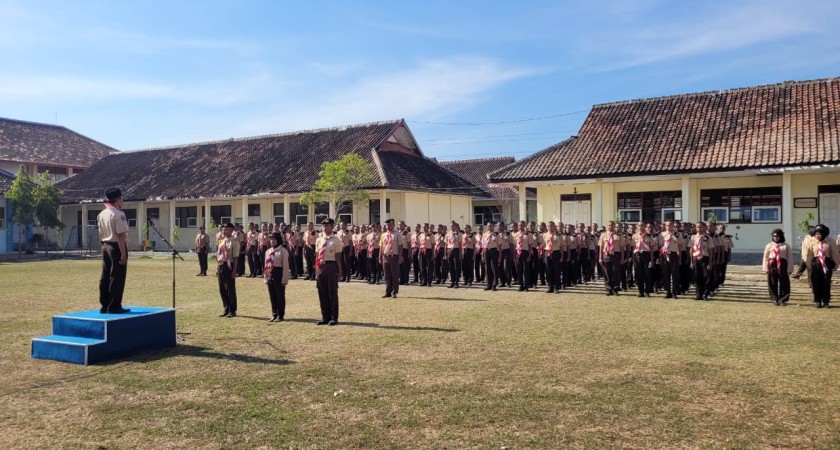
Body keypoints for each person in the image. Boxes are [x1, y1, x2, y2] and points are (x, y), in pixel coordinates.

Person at [97, 188, 130, 313]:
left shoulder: (102, 214)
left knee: (105, 275)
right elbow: (121, 235)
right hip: (116, 246)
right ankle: (115, 306)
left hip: (105, 245)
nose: (123, 201)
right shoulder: (118, 214)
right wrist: (123, 254)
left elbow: (100, 233)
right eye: (122, 198)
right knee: (117, 276)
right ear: (118, 200)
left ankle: (104, 305)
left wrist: (103, 246)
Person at [315, 218, 343, 325]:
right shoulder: (319, 240)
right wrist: (316, 270)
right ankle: (325, 317)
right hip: (321, 266)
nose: (325, 227)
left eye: (327, 225)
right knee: (322, 292)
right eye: (323, 225)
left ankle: (334, 317)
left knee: (332, 293)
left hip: (331, 266)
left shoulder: (336, 240)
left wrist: (339, 273)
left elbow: (338, 258)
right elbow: (317, 256)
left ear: (332, 227)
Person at [805, 224, 839, 308]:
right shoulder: (811, 241)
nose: (818, 236)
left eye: (819, 234)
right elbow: (808, 255)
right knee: (815, 282)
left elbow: (834, 254)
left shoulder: (830, 241)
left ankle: (826, 301)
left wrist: (836, 264)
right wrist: (808, 265)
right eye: (816, 234)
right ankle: (818, 301)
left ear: (824, 233)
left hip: (826, 263)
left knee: (826, 282)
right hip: (815, 263)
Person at [264, 232, 290, 321]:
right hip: (270, 273)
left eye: (274, 239)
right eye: (271, 239)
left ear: (278, 240)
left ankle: (280, 315)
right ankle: (274, 313)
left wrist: (284, 279)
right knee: (272, 295)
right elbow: (266, 265)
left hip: (279, 273)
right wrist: (266, 277)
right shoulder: (268, 251)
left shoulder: (283, 251)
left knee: (280, 295)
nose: (272, 241)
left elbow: (285, 266)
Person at [216, 222, 240, 317]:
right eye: (223, 229)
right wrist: (217, 267)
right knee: (222, 288)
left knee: (230, 289)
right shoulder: (222, 241)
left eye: (226, 229)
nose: (223, 230)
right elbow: (219, 255)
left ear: (231, 230)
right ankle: (226, 308)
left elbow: (235, 257)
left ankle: (232, 310)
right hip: (221, 265)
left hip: (229, 266)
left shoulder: (234, 242)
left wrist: (234, 270)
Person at [763, 229, 792, 306]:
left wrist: (790, 269)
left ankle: (783, 299)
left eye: (777, 236)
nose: (776, 238)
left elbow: (790, 258)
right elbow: (765, 257)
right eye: (774, 236)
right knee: (772, 281)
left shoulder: (786, 246)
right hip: (772, 264)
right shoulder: (769, 245)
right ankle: (774, 299)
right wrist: (765, 268)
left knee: (784, 282)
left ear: (781, 236)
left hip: (783, 264)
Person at [689, 222, 715, 301]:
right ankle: (698, 294)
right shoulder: (693, 237)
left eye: (700, 227)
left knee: (706, 276)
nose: (698, 229)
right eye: (697, 227)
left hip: (705, 258)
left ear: (704, 228)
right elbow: (691, 249)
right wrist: (691, 261)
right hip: (696, 258)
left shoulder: (708, 238)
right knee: (696, 276)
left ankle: (705, 293)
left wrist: (710, 262)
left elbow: (711, 251)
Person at [598, 221, 625, 296]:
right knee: (607, 272)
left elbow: (622, 247)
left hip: (616, 254)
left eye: (612, 225)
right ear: (607, 226)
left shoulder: (619, 235)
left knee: (616, 272)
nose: (610, 226)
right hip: (606, 254)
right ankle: (609, 289)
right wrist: (600, 258)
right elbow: (601, 247)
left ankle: (615, 289)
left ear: (614, 226)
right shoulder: (603, 235)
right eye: (609, 225)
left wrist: (622, 258)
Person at [657, 221, 682, 299]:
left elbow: (680, 247)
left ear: (673, 226)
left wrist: (679, 258)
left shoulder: (677, 234)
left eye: (670, 225)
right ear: (665, 226)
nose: (669, 227)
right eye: (667, 225)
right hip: (664, 255)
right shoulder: (661, 235)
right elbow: (660, 246)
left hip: (674, 255)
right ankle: (668, 291)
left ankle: (675, 291)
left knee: (675, 274)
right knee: (665, 273)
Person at [380, 219, 404, 297]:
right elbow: (381, 247)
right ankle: (388, 292)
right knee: (387, 276)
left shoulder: (397, 234)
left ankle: (394, 292)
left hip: (394, 256)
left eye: (390, 225)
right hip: (385, 256)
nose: (388, 226)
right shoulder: (383, 235)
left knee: (394, 275)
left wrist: (400, 256)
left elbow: (400, 246)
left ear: (393, 225)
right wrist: (380, 257)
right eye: (387, 225)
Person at [481, 222, 501, 291]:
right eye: (488, 226)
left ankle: (494, 284)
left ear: (493, 227)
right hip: (486, 251)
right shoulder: (484, 235)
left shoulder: (496, 234)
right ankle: (489, 284)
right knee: (487, 268)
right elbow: (483, 246)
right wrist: (483, 255)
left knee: (494, 268)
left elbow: (500, 246)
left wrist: (500, 256)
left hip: (494, 251)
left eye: (491, 226)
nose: (489, 227)